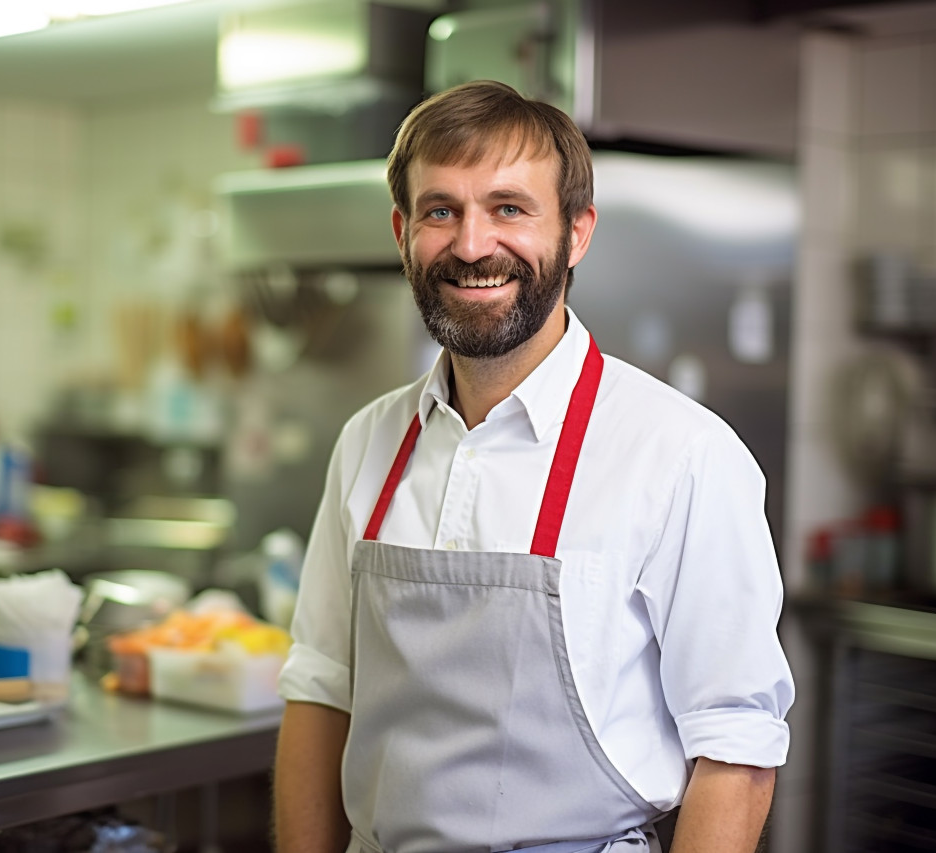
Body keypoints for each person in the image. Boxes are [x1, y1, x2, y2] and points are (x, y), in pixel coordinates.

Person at [272, 79, 794, 853]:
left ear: (577, 232)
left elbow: (736, 751)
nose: (473, 244)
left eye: (509, 208)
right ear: (400, 230)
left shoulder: (681, 452)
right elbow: (320, 690)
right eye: (440, 210)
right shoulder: (368, 440)